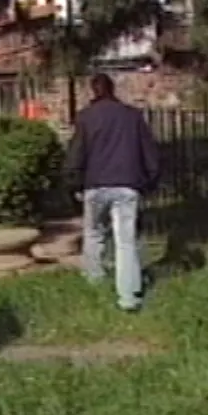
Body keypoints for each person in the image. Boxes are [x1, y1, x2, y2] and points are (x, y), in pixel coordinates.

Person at [64, 73, 160, 312]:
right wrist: (150, 181)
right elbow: (149, 151)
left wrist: (73, 184)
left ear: (93, 91)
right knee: (126, 241)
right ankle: (128, 297)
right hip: (127, 183)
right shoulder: (132, 116)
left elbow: (76, 153)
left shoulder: (86, 117)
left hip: (95, 184)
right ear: (113, 89)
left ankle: (94, 282)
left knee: (93, 234)